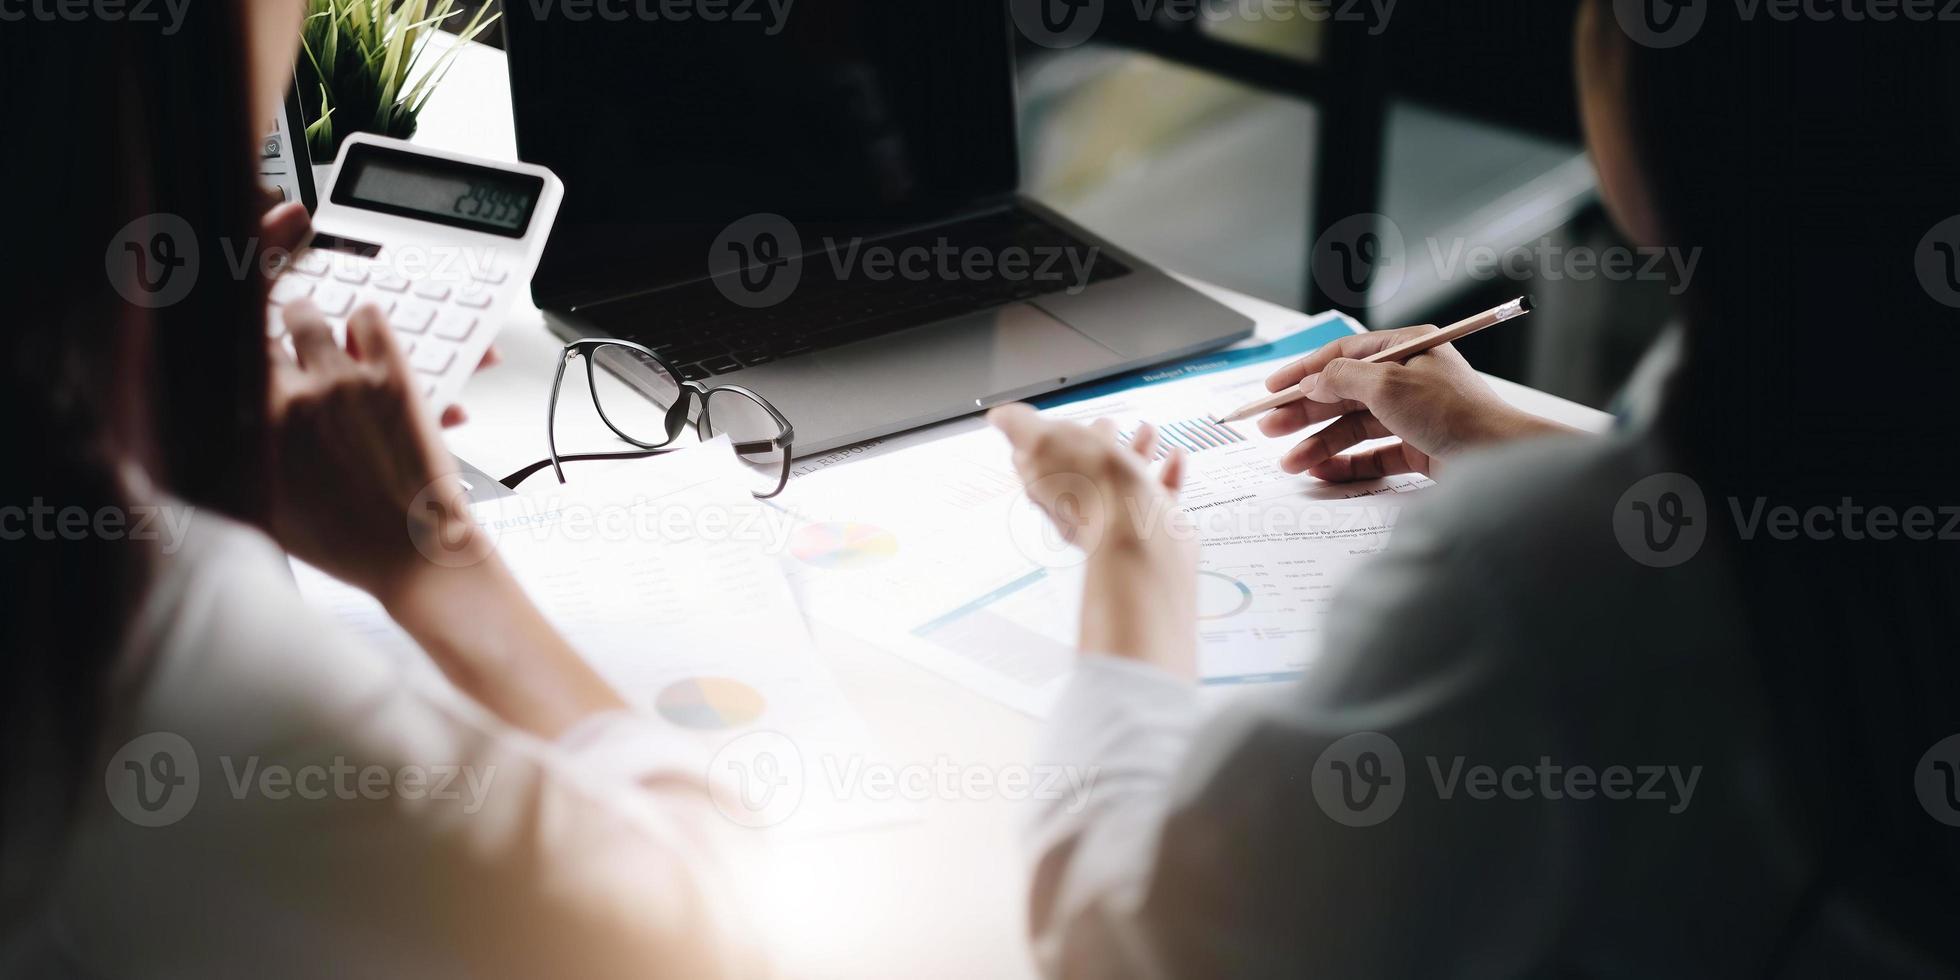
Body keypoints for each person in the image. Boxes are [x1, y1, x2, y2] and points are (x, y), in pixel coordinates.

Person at [993, 4, 1960, 976]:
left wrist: (1130, 545)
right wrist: (1503, 437)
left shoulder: (1535, 588)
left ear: (1658, 104)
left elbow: (1124, 946)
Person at [1, 4, 762, 975]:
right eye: (246, 132)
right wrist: (433, 556)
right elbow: (701, 938)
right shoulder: (160, 655)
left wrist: (152, 416)